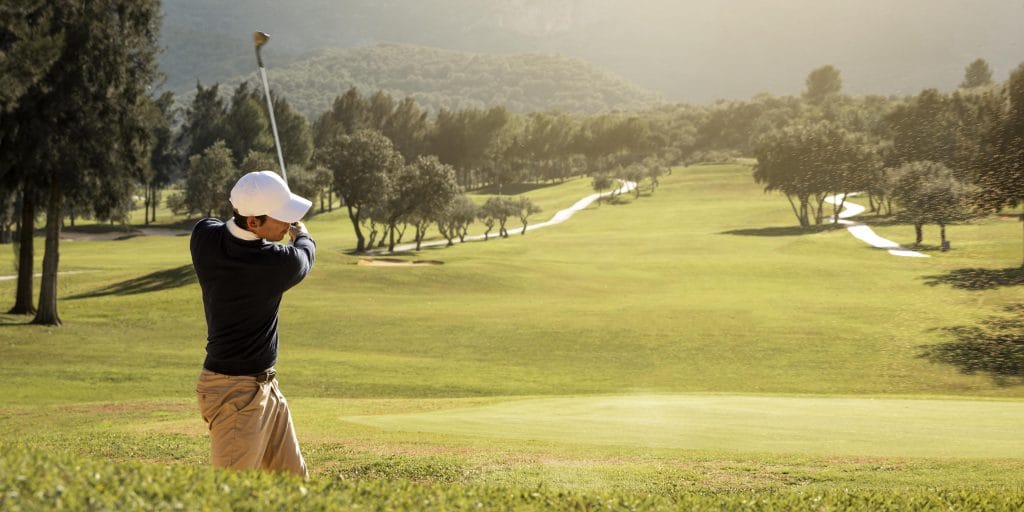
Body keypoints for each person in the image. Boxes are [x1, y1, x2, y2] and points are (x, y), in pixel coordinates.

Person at [189, 170, 315, 477]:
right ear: (255, 221)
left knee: (294, 483)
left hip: (264, 387)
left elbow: (223, 226)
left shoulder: (203, 237)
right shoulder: (277, 264)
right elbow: (306, 254)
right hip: (234, 395)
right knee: (232, 496)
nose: (287, 223)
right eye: (281, 217)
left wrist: (262, 213)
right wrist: (301, 233)